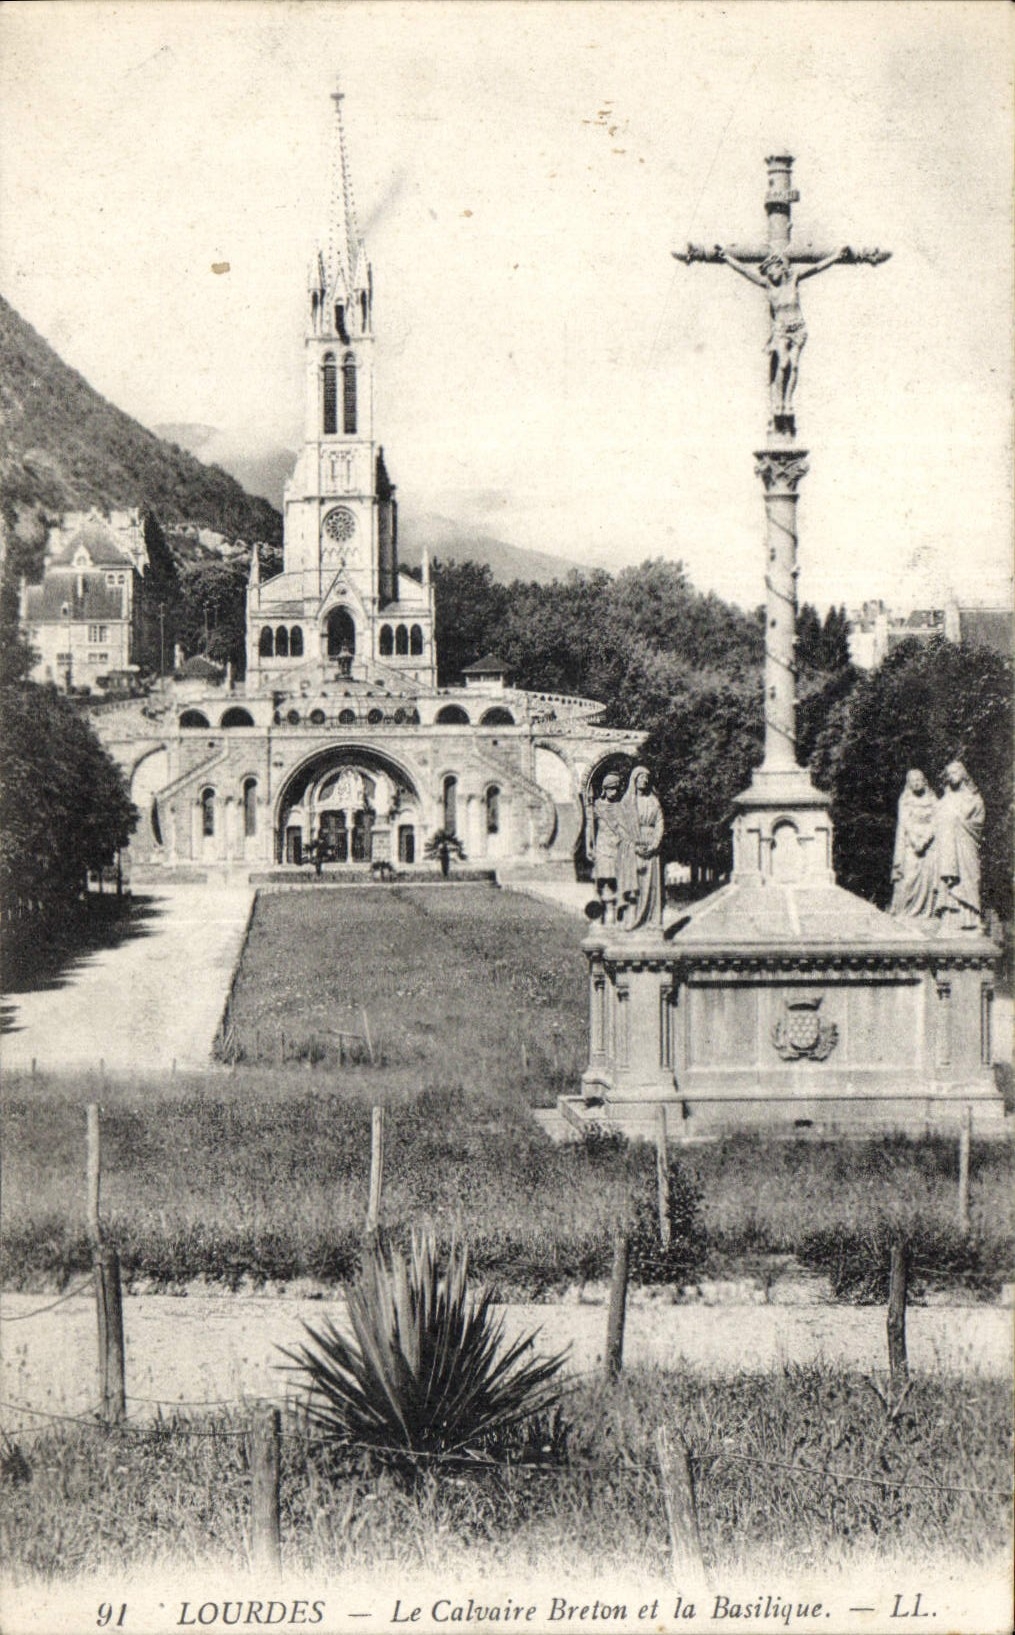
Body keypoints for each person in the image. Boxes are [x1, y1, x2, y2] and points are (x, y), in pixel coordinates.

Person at [718, 245, 852, 424]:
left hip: (798, 329)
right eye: (767, 271)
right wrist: (727, 258)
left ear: (781, 267)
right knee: (783, 363)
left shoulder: (793, 279)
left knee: (794, 366)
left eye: (772, 269)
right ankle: (778, 402)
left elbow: (816, 268)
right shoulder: (768, 286)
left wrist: (835, 256)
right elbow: (745, 271)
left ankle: (788, 401)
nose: (771, 274)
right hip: (781, 331)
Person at [934, 761, 985, 931]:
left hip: (965, 845)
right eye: (949, 772)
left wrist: (958, 822)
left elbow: (977, 822)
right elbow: (937, 821)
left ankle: (971, 919)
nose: (951, 775)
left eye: (955, 771)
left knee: (969, 877)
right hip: (948, 849)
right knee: (950, 883)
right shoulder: (944, 799)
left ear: (963, 774)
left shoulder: (974, 798)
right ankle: (951, 920)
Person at [617, 764, 664, 929]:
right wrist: (633, 845)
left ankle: (651, 920)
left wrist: (654, 844)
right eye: (641, 778)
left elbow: (659, 823)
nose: (644, 781)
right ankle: (632, 918)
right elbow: (621, 827)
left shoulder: (653, 801)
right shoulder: (627, 802)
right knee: (633, 885)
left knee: (650, 885)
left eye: (646, 778)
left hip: (651, 847)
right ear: (634, 780)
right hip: (633, 848)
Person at [889, 769, 938, 918]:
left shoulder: (932, 799)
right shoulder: (905, 799)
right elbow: (904, 822)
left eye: (919, 780)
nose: (916, 783)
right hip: (911, 843)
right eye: (913, 781)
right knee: (909, 877)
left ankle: (926, 911)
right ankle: (904, 911)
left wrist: (925, 840)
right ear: (908, 783)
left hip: (929, 843)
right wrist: (915, 840)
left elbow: (936, 821)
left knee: (927, 878)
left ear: (924, 781)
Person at [586, 771, 626, 923]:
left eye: (616, 789)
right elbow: (590, 827)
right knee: (601, 882)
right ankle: (599, 917)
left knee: (615, 882)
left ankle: (615, 917)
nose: (613, 792)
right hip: (601, 845)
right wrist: (588, 847)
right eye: (610, 788)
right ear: (604, 789)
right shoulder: (596, 806)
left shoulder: (621, 807)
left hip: (616, 846)